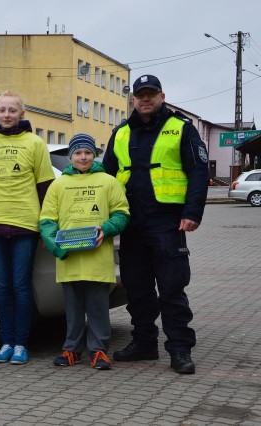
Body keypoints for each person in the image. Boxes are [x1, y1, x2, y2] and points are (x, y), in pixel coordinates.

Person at [102, 74, 209, 374]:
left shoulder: (181, 129)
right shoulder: (120, 133)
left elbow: (199, 172)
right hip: (130, 222)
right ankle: (144, 343)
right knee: (137, 288)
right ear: (133, 99)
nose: (145, 99)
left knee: (172, 287)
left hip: (167, 222)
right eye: (140, 95)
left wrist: (193, 213)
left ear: (162, 96)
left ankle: (179, 349)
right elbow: (106, 175)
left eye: (151, 94)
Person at [0, 91, 55, 365]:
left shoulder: (35, 144)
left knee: (21, 286)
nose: (7, 115)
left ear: (22, 114)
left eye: (12, 110)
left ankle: (21, 344)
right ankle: (5, 342)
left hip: (26, 224)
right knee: (1, 286)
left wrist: (48, 228)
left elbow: (46, 188)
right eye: (2, 110)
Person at [39, 134, 130, 370]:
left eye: (88, 153)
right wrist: (56, 246)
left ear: (94, 155)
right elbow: (47, 220)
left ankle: (99, 351)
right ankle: (71, 350)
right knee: (73, 310)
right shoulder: (58, 185)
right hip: (70, 259)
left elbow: (122, 214)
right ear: (71, 157)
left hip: (97, 258)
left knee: (98, 307)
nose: (83, 157)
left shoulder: (108, 182)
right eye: (78, 153)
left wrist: (108, 228)